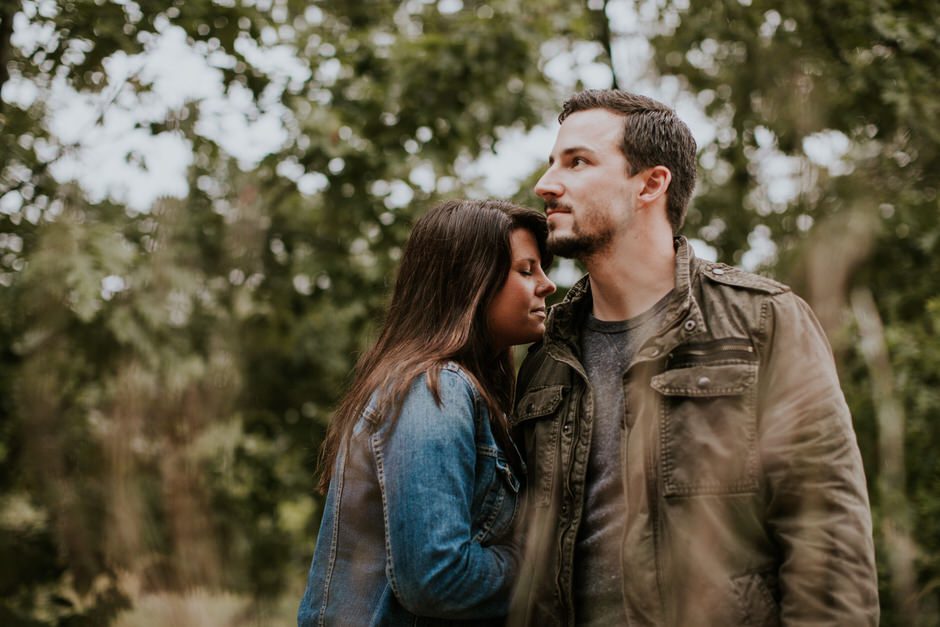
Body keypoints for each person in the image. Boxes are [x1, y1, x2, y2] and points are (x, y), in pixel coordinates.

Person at [508, 90, 878, 626]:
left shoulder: (763, 321)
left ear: (651, 184)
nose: (546, 185)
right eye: (551, 164)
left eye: (578, 162)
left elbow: (827, 537)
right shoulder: (546, 353)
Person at [298, 199, 556, 626]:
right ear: (472, 282)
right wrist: (545, 567)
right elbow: (438, 579)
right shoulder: (433, 389)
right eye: (526, 270)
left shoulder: (451, 389)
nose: (546, 285)